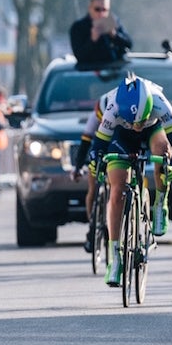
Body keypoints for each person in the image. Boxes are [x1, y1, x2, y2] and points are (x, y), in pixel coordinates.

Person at [87, 73, 172, 287]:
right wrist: (95, 161)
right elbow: (99, 144)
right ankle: (115, 258)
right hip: (121, 137)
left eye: (141, 120)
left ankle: (160, 203)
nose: (137, 126)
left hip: (154, 131)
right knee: (117, 190)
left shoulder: (160, 102)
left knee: (162, 150)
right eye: (133, 122)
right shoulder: (113, 107)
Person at [70, 87, 116, 253]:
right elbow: (85, 141)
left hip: (116, 147)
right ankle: (93, 226)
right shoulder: (98, 111)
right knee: (92, 186)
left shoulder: (120, 111)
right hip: (100, 148)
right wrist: (77, 167)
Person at [69, 0, 132, 67]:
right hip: (88, 73)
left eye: (104, 10)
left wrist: (114, 35)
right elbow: (80, 56)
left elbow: (129, 44)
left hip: (114, 71)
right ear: (90, 8)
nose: (101, 13)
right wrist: (92, 40)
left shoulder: (113, 22)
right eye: (97, 9)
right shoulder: (78, 27)